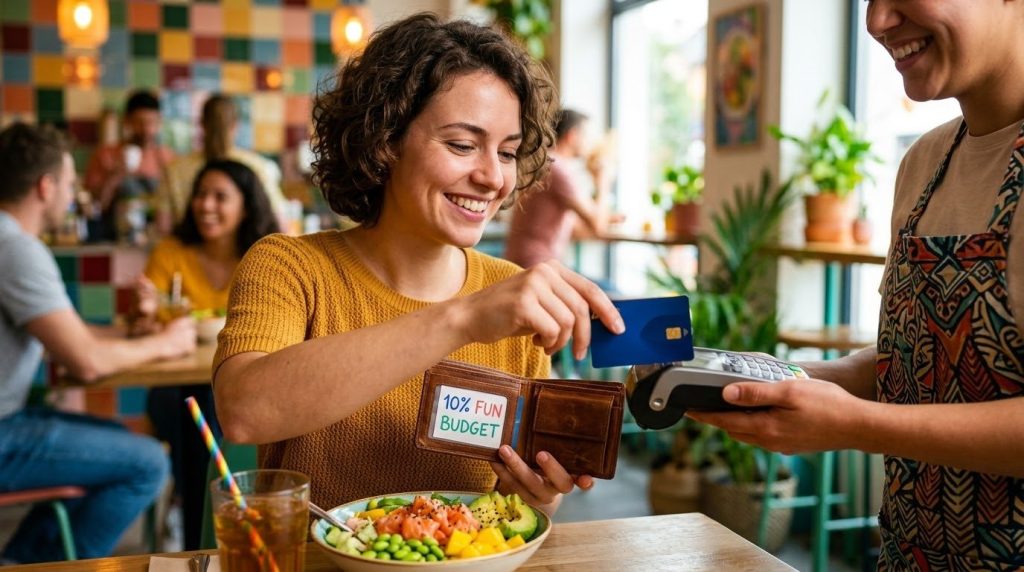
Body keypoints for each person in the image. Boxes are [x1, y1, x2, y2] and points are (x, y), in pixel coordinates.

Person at [212, 12, 624, 516]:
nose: (493, 177)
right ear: (385, 139)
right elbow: (245, 410)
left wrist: (534, 495)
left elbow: (516, 508)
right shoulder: (291, 267)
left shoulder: (512, 295)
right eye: (462, 145)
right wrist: (462, 318)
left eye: (509, 152)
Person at [689, 1, 1024, 569]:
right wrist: (796, 377)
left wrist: (854, 424)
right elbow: (922, 359)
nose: (875, 21)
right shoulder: (925, 162)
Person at [0, 122, 195, 563]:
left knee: (112, 438)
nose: (74, 195)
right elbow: (85, 363)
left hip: (9, 419)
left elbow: (67, 338)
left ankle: (24, 559)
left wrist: (131, 335)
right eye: (70, 183)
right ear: (45, 186)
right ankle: (33, 565)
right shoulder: (17, 250)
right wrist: (165, 343)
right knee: (146, 462)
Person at [129, 159, 280, 549]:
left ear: (246, 205)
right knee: (189, 406)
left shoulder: (264, 257)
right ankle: (203, 527)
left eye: (219, 196)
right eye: (200, 195)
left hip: (243, 386)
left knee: (221, 405)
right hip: (178, 388)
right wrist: (144, 315)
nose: (205, 205)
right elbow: (140, 323)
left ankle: (202, 521)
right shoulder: (171, 253)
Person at [504, 108, 618, 270]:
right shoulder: (558, 169)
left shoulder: (547, 163)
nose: (589, 143)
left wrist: (606, 219)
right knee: (611, 290)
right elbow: (597, 226)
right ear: (572, 136)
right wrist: (603, 181)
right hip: (535, 268)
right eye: (586, 136)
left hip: (526, 264)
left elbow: (574, 229)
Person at [157, 94, 288, 232]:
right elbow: (281, 225)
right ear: (235, 125)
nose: (207, 206)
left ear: (202, 123)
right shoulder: (255, 166)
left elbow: (163, 227)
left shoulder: (176, 169)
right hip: (245, 252)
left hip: (189, 252)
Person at [83, 90, 174, 241]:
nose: (146, 129)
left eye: (151, 122)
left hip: (157, 242)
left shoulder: (168, 158)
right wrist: (115, 175)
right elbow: (93, 210)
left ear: (159, 123)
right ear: (127, 121)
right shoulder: (105, 155)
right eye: (140, 122)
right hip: (114, 241)